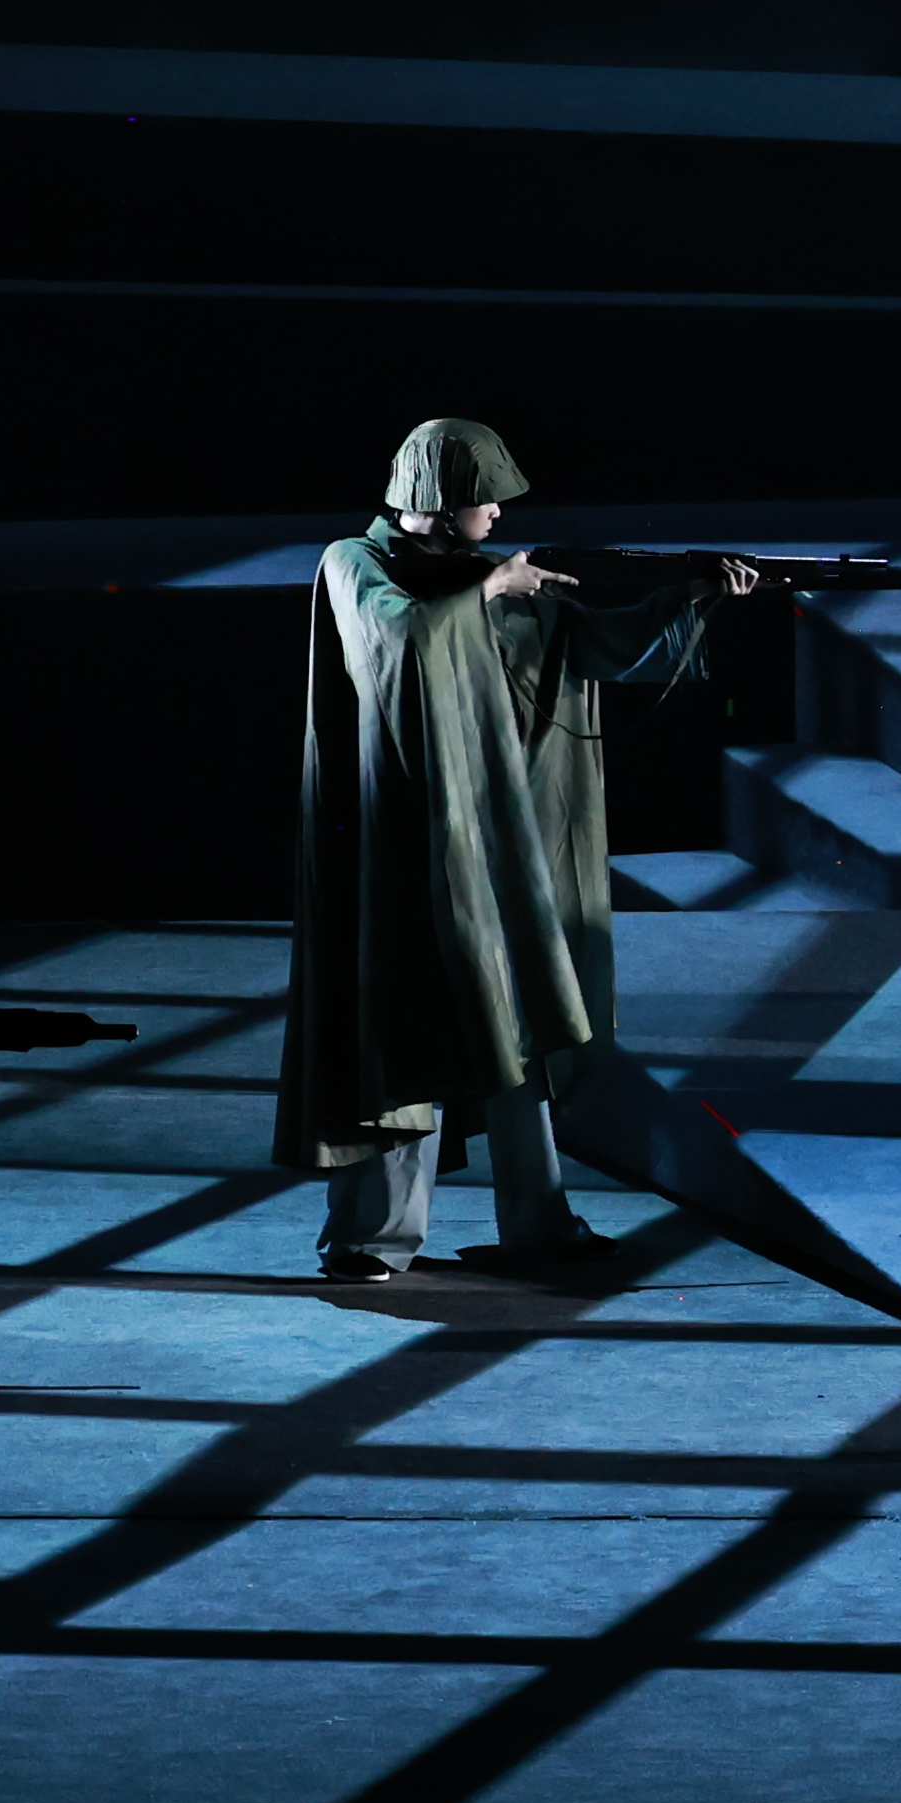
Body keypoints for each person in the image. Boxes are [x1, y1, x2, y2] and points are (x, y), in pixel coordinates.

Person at [280, 421, 756, 1281]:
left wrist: (693, 595)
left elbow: (587, 647)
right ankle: (370, 1236)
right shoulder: (357, 563)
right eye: (485, 497)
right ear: (439, 500)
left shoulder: (493, 577)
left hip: (495, 843)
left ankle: (539, 1224)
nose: (499, 513)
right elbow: (398, 644)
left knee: (515, 1029)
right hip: (407, 849)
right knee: (405, 1032)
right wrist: (492, 587)